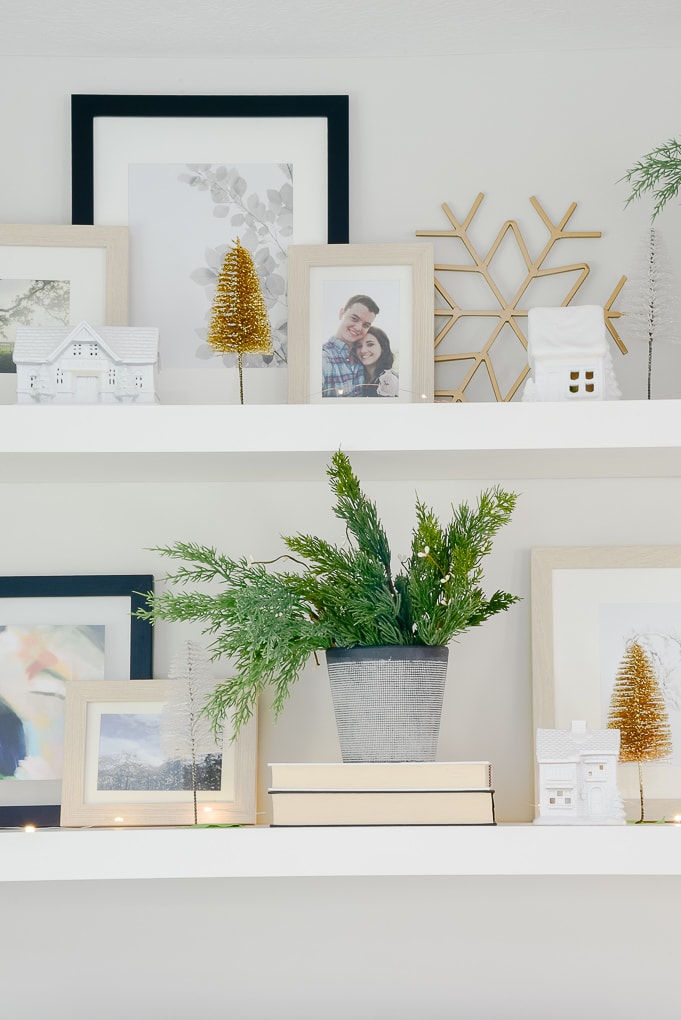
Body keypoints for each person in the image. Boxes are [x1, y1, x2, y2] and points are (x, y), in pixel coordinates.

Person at [321, 294, 379, 397]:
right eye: (354, 319)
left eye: (365, 325)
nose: (358, 328)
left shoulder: (362, 358)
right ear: (341, 314)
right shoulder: (323, 358)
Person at [351, 326, 399, 397]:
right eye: (359, 345)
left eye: (370, 344)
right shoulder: (358, 378)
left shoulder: (388, 380)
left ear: (382, 348)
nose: (363, 350)